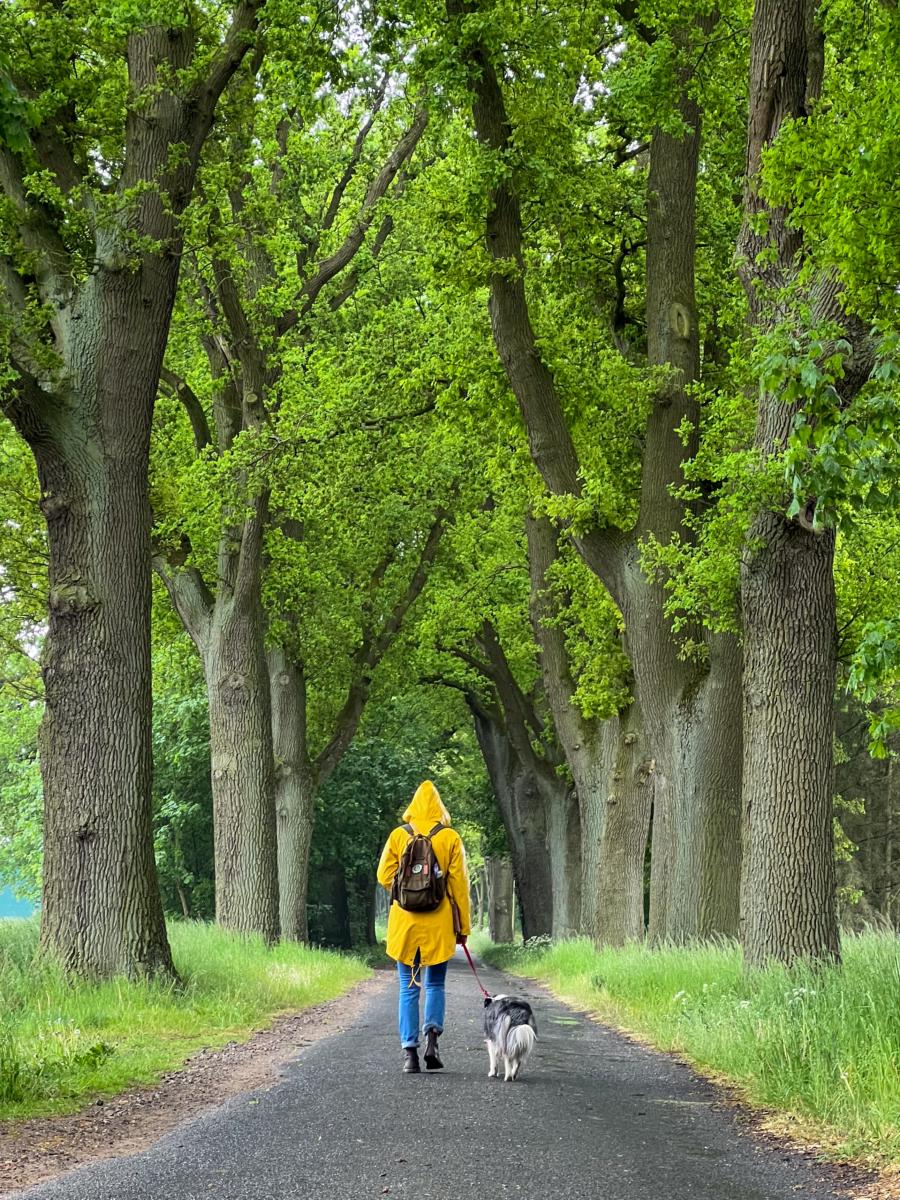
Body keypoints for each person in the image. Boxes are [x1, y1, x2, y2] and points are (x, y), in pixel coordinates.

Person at [377, 780, 471, 1074]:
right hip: (439, 923)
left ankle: (409, 1054)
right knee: (435, 984)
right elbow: (459, 887)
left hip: (404, 925)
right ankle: (432, 1039)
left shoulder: (398, 835)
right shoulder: (450, 838)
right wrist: (463, 927)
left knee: (408, 988)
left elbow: (383, 875)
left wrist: (404, 890)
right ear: (439, 808)